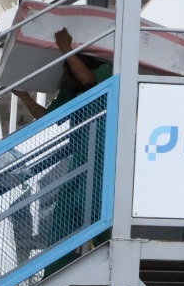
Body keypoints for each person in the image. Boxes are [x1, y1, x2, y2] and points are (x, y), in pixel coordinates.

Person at [12, 28, 113, 271]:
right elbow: (49, 117)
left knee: (94, 207)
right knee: (64, 213)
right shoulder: (71, 89)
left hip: (104, 157)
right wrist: (24, 96)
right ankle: (55, 271)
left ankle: (109, 262)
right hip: (80, 157)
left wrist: (66, 48)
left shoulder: (105, 71)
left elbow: (89, 82)